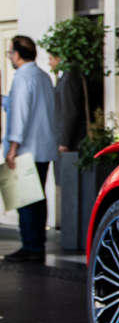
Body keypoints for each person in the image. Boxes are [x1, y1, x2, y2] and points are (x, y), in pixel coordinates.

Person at [3, 36, 57, 263]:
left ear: (16, 54)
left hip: (26, 148)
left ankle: (31, 246)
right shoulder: (44, 76)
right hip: (43, 147)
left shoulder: (22, 77)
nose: (10, 58)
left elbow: (21, 112)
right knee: (38, 197)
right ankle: (37, 245)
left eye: (9, 53)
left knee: (24, 198)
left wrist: (13, 146)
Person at [48, 53, 87, 156]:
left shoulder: (68, 79)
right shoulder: (65, 77)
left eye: (51, 59)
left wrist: (64, 142)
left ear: (58, 59)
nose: (49, 63)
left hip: (71, 143)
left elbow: (69, 111)